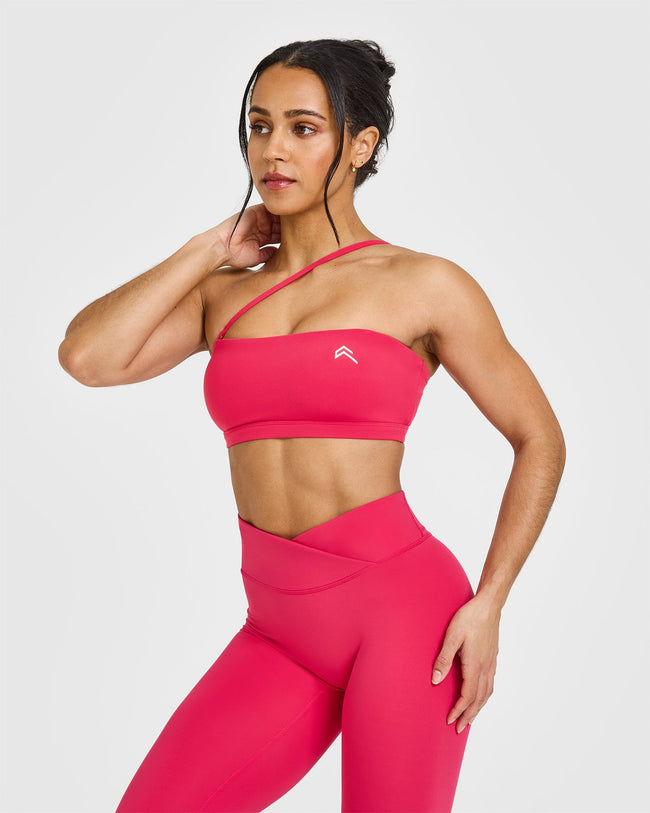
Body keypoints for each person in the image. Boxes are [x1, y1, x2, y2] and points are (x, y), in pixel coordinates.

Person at [59, 38, 565, 813]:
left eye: (303, 128)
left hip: (406, 620)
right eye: (259, 126)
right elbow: (88, 358)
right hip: (277, 629)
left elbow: (539, 438)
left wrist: (491, 599)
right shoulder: (223, 295)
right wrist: (204, 250)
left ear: (360, 145)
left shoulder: (423, 284)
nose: (274, 150)